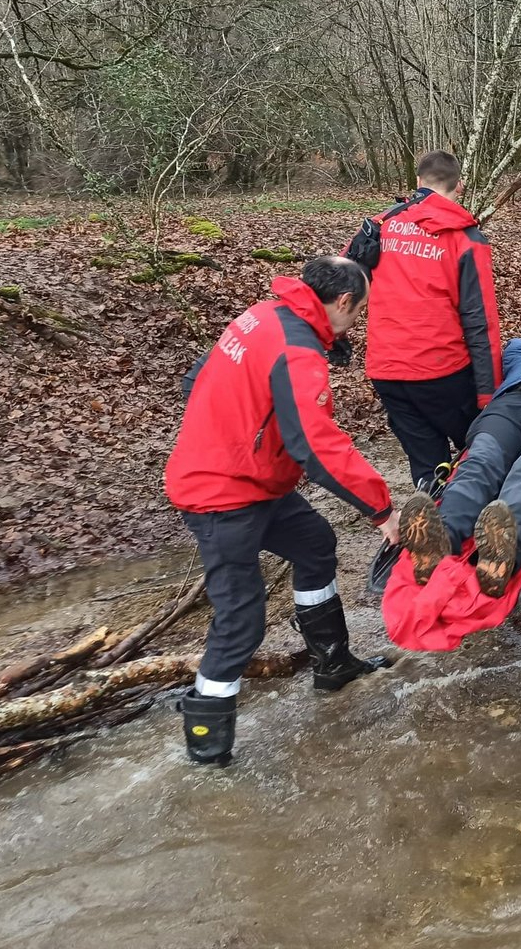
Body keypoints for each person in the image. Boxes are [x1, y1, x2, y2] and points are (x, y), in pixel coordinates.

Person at [164, 257, 400, 767]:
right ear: (342, 302)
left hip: (255, 484)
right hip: (221, 497)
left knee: (315, 543)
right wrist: (382, 510)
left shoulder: (262, 314)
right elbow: (316, 447)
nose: (357, 321)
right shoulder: (296, 350)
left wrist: (243, 438)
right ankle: (206, 744)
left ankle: (332, 663)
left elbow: (195, 380)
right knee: (240, 621)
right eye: (359, 311)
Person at [344, 150, 502, 490]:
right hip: (441, 371)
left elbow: (341, 278)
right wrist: (488, 392)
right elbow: (480, 320)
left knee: (427, 464)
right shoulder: (465, 238)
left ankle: (428, 506)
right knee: (479, 451)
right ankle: (472, 512)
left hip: (386, 370)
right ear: (459, 186)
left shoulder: (380, 225)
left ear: (417, 181)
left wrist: (334, 339)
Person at [398, 327, 521, 597]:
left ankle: (502, 554)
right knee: (481, 461)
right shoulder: (520, 347)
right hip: (511, 403)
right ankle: (441, 538)